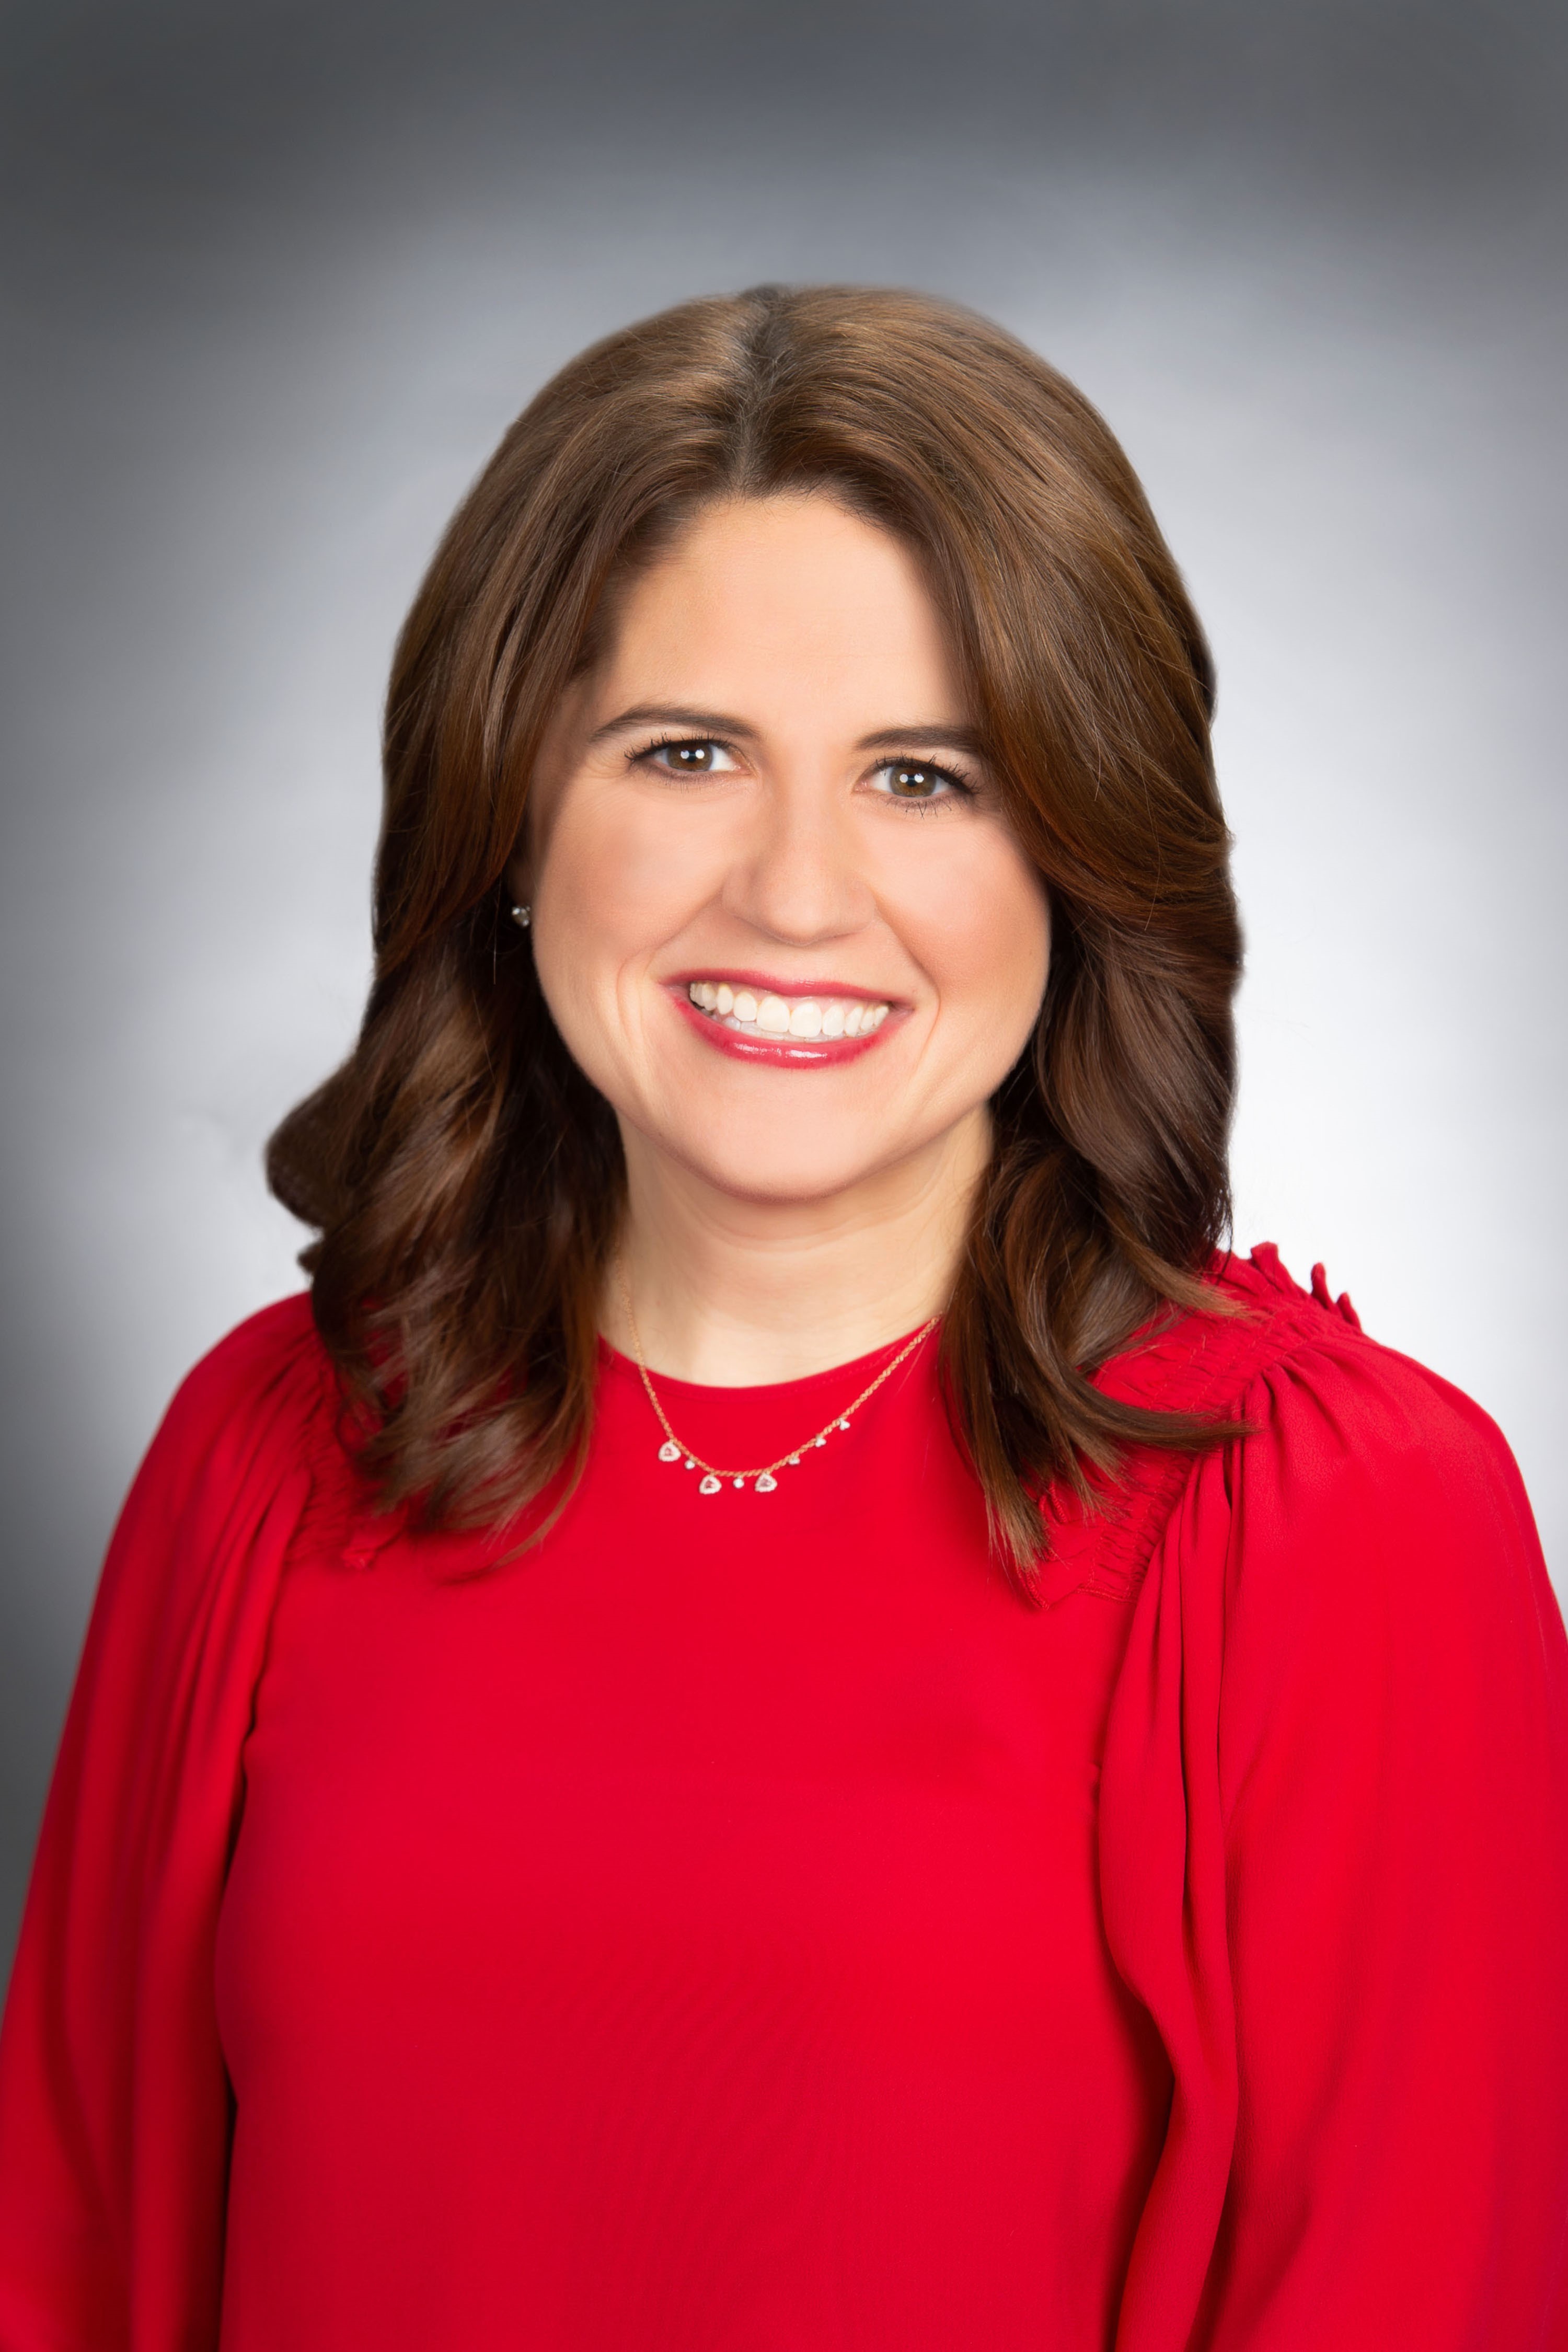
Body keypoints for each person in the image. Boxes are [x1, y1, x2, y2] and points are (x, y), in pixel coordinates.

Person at [1, 284, 1564, 2352]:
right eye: (686, 753)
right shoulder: (271, 1453)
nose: (801, 898)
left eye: (928, 776)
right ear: (508, 820)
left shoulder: (1333, 1526)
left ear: (1089, 854)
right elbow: (79, 2262)